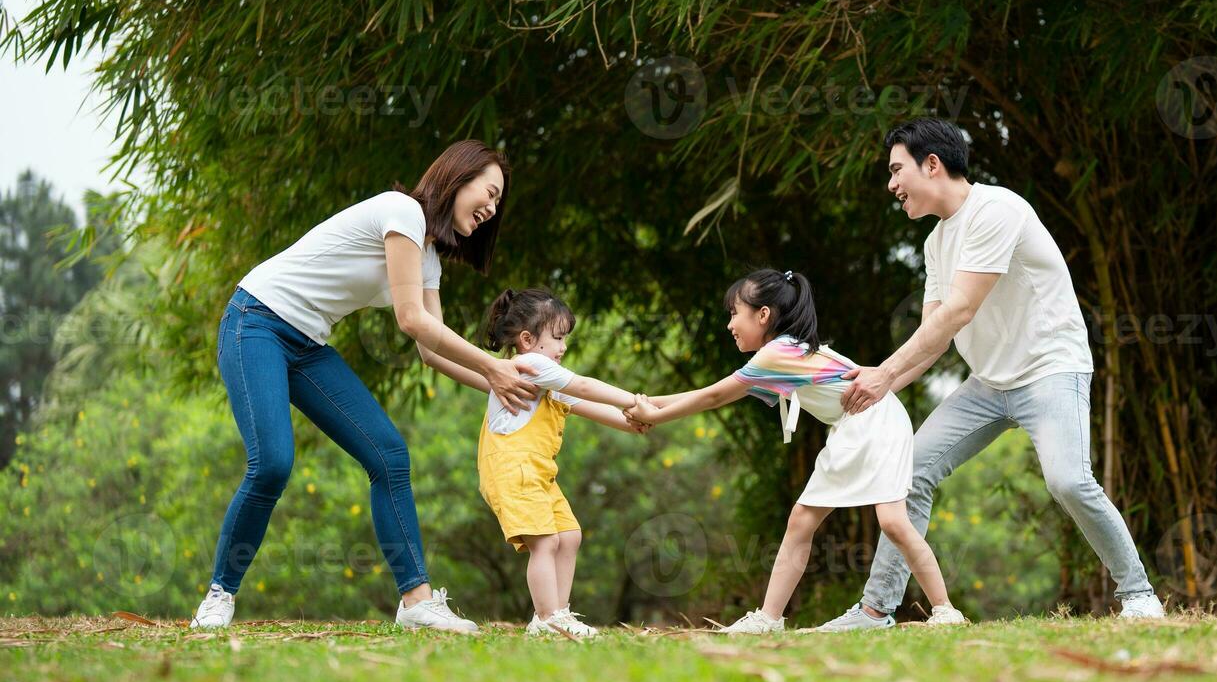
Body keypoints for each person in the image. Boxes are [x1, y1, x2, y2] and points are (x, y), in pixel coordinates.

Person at [819, 118, 1165, 631]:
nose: (891, 185)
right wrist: (871, 389)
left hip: (1050, 368)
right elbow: (931, 338)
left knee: (1068, 479)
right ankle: (875, 610)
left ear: (932, 164)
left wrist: (883, 374)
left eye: (897, 170)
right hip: (988, 384)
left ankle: (1139, 596)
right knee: (908, 472)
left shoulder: (996, 209)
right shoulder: (936, 244)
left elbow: (957, 311)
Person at [191, 139, 538, 633]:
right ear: (458, 177)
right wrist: (494, 367)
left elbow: (431, 351)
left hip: (307, 343)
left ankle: (416, 601)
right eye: (490, 191)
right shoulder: (403, 212)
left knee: (388, 454)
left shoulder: (430, 258)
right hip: (256, 321)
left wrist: (497, 383)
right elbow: (412, 320)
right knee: (271, 462)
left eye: (499, 202)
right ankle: (220, 594)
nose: (492, 207)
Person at [629, 268, 966, 633]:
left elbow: (715, 395)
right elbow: (712, 392)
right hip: (861, 424)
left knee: (893, 522)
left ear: (763, 315)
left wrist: (657, 415)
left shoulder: (778, 354)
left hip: (874, 422)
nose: (729, 324)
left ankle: (945, 610)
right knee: (803, 520)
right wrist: (651, 405)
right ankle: (769, 618)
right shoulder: (786, 350)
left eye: (734, 313)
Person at [477, 288, 648, 638]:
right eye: (557, 338)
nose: (563, 347)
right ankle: (546, 618)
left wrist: (632, 420)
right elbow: (584, 387)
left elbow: (589, 406)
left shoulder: (547, 377)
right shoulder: (531, 365)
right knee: (545, 543)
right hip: (513, 468)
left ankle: (560, 614)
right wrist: (634, 400)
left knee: (568, 536)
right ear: (527, 340)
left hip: (539, 474)